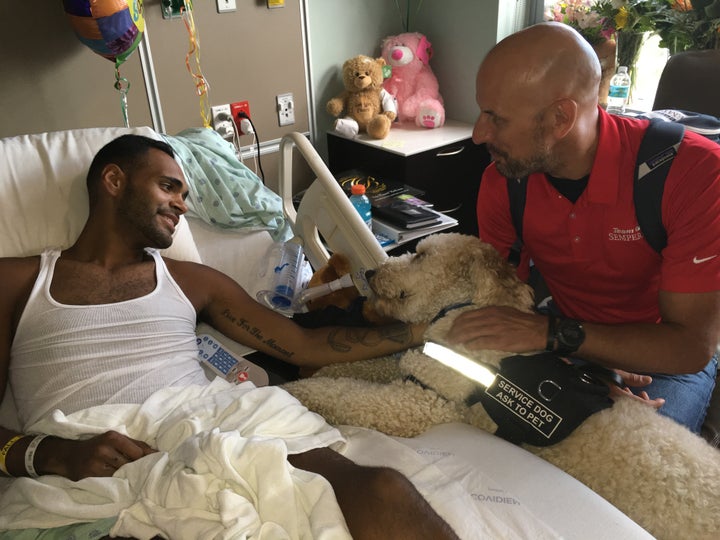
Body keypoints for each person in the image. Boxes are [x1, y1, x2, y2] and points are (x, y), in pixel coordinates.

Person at [0, 134, 458, 539]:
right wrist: (52, 454)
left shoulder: (193, 281)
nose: (182, 204)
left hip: (212, 425)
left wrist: (425, 329)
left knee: (383, 490)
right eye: (168, 186)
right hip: (91, 459)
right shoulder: (17, 281)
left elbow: (303, 346)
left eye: (185, 193)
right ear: (114, 180)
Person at [447, 21, 720, 434]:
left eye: (495, 118)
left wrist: (561, 338)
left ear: (560, 118)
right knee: (484, 418)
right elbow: (499, 301)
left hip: (661, 354)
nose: (477, 134)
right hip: (557, 330)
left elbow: (690, 346)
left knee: (632, 462)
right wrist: (578, 376)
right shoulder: (503, 182)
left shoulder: (694, 174)